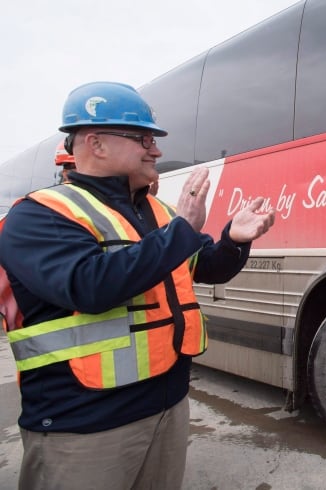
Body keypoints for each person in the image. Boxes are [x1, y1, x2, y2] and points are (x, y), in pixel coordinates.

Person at [0, 81, 276, 489]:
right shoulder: (38, 216)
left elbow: (205, 267)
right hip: (84, 424)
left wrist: (235, 239)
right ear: (95, 144)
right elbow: (89, 286)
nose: (157, 150)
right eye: (143, 138)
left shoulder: (158, 212)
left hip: (167, 405)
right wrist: (180, 231)